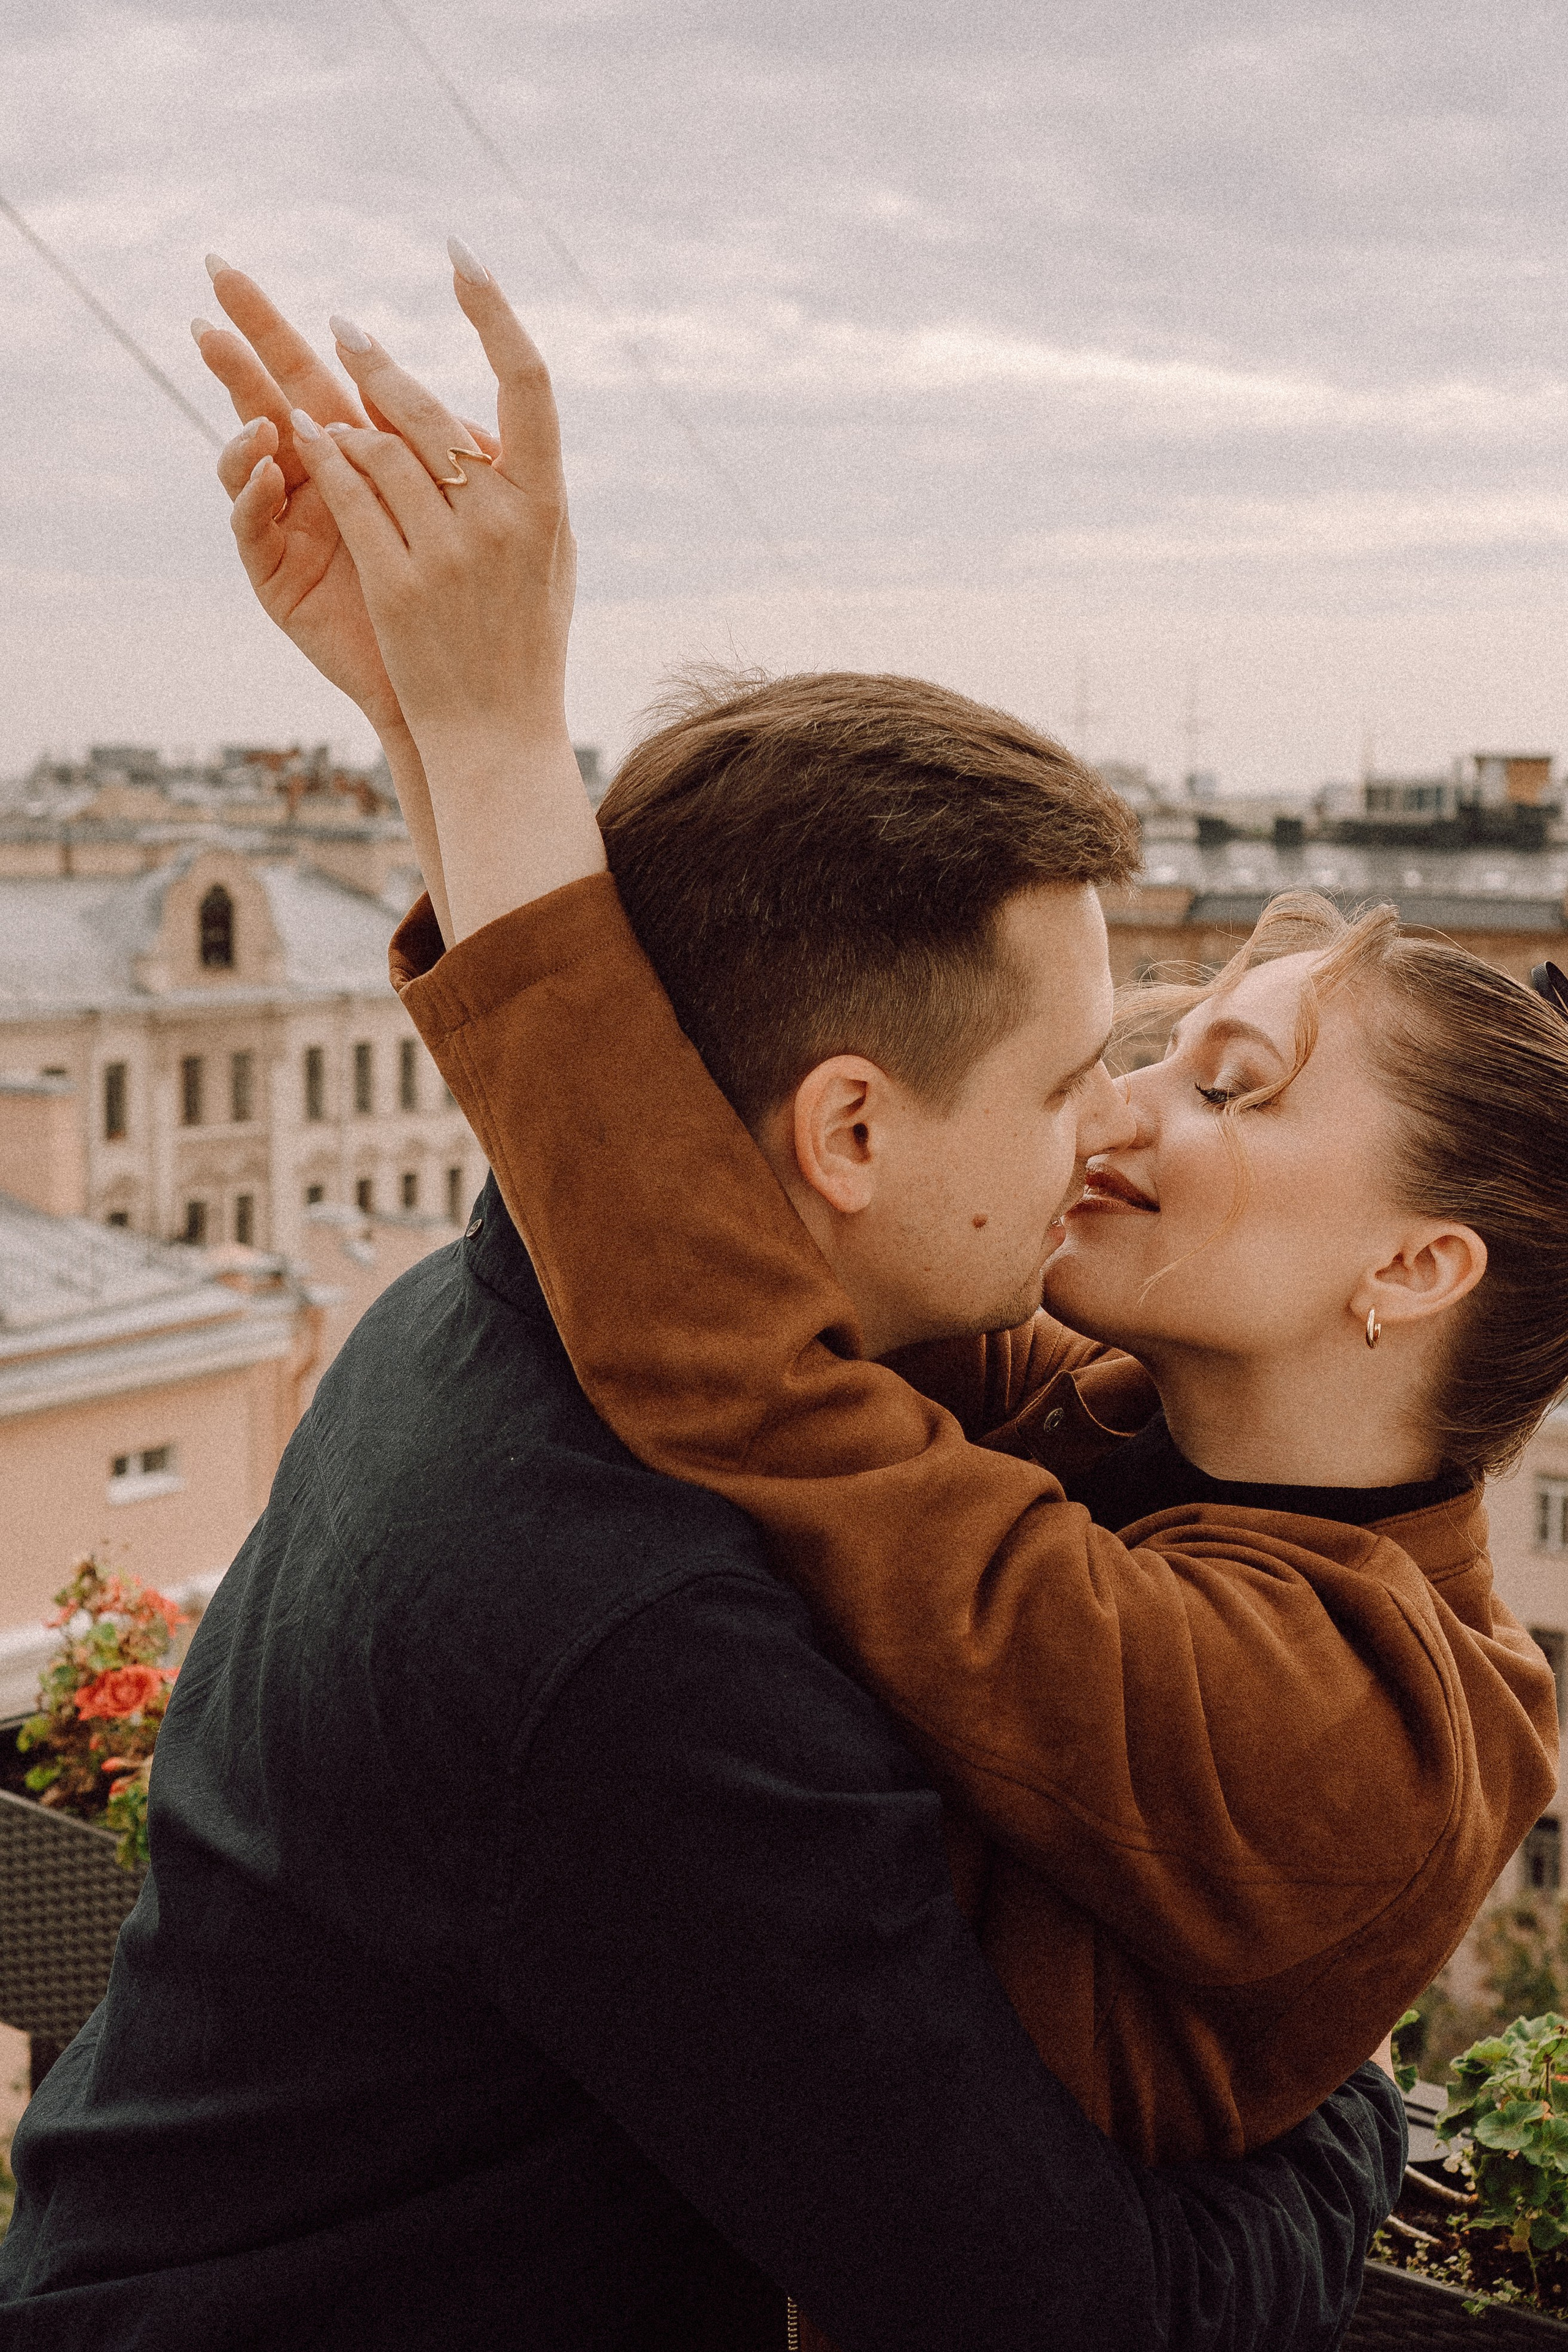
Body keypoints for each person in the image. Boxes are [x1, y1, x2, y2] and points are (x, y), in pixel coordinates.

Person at [0, 252, 1410, 2352]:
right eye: (1061, 1077)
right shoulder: (643, 1629)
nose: (1106, 1131)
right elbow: (1065, 2312)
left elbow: (608, 1113)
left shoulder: (495, 1314)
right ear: (847, 1136)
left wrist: (456, 730)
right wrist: (1342, 2118)